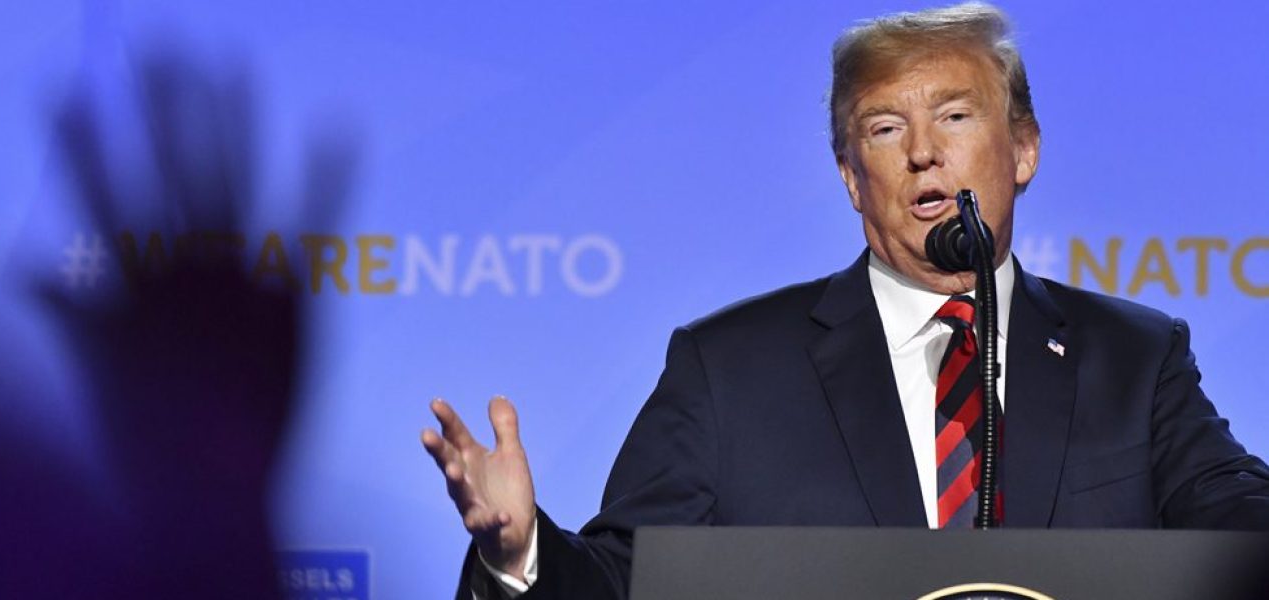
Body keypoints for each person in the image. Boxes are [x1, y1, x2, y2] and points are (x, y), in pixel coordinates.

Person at [420, 3, 1269, 599]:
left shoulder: (1134, 356)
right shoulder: (731, 368)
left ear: (1023, 150)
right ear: (850, 180)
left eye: (956, 116)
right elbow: (627, 582)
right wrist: (521, 549)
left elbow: (1242, 528)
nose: (925, 155)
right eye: (885, 129)